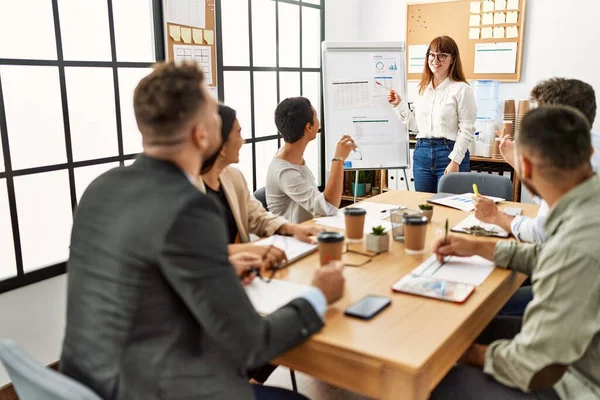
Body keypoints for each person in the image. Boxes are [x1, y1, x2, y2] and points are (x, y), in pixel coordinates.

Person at [60, 62, 346, 400]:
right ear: (201, 134)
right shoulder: (188, 207)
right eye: (214, 114)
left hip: (84, 382)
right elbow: (251, 344)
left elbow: (138, 278)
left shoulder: (101, 187)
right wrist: (317, 295)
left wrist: (218, 268)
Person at [430, 105, 600, 400]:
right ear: (589, 153)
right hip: (580, 351)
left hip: (577, 382)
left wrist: (461, 352)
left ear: (527, 168)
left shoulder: (575, 246)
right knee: (481, 328)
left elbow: (532, 365)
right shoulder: (586, 210)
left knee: (435, 380)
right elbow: (550, 257)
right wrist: (478, 246)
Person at [475, 78, 600, 244]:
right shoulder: (589, 143)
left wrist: (495, 216)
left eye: (538, 115)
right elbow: (548, 200)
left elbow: (541, 233)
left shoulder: (574, 162)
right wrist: (517, 162)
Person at [199, 104, 323, 268]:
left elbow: (258, 217)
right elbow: (192, 251)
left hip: (242, 272)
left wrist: (290, 228)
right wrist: (249, 248)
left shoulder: (234, 177)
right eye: (238, 134)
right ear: (221, 145)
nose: (243, 141)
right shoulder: (186, 188)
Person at [387, 35, 477, 193]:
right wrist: (399, 105)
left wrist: (455, 160)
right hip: (422, 153)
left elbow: (467, 129)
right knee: (424, 208)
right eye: (432, 55)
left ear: (452, 59)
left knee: (450, 208)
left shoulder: (462, 89)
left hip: (449, 153)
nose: (436, 60)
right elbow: (416, 127)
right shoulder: (421, 89)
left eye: (442, 55)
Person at [266, 96, 356, 223]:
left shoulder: (293, 156)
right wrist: (338, 159)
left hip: (310, 229)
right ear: (308, 127)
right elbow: (329, 207)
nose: (319, 121)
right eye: (316, 117)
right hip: (292, 239)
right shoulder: (285, 171)